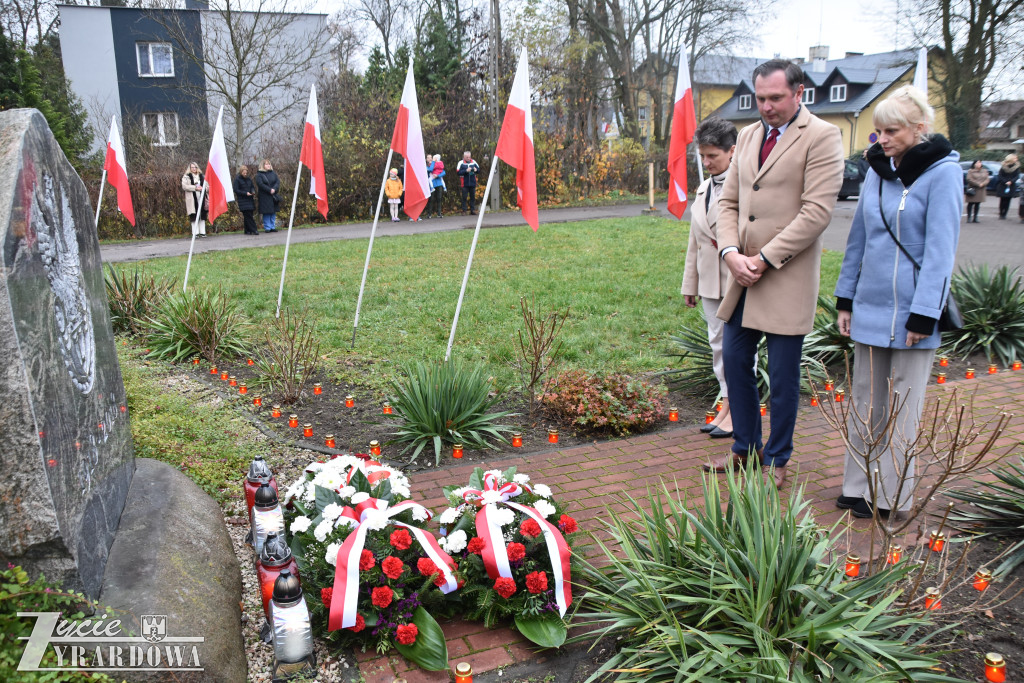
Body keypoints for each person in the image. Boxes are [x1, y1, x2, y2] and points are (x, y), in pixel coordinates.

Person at [707, 59, 845, 488]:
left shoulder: (822, 136)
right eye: (760, 98)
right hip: (742, 275)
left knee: (784, 378)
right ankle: (745, 448)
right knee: (734, 360)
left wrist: (763, 258)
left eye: (775, 98)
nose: (766, 107)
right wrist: (730, 251)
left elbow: (816, 213)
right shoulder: (747, 135)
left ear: (799, 92)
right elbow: (728, 202)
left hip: (785, 276)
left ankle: (777, 459)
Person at [834, 85, 961, 518]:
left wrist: (925, 315)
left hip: (913, 312)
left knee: (903, 406)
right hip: (869, 305)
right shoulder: (876, 170)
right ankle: (858, 485)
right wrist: (845, 299)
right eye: (877, 132)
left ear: (919, 129)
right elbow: (859, 240)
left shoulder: (943, 173)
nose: (882, 140)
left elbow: (941, 252)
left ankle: (889, 495)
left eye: (891, 131)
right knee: (866, 399)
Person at [681, 117, 737, 439]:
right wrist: (691, 284)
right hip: (710, 283)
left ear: (732, 151)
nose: (706, 162)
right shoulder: (705, 186)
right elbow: (695, 242)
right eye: (702, 155)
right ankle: (727, 405)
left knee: (738, 350)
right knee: (718, 346)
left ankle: (737, 410)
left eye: (712, 155)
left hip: (735, 280)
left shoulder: (743, 186)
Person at [181, 162, 207, 237]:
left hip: (202, 197)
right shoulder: (186, 177)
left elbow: (207, 186)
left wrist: (203, 188)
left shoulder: (202, 176)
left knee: (202, 214)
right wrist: (195, 188)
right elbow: (185, 186)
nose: (194, 169)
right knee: (194, 215)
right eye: (192, 167)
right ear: (190, 168)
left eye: (195, 167)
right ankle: (195, 233)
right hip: (192, 199)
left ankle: (202, 232)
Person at [255, 159, 280, 232]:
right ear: (263, 166)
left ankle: (272, 226)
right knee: (267, 212)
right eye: (266, 164)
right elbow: (260, 184)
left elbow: (277, 182)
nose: (268, 165)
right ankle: (267, 227)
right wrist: (269, 190)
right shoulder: (259, 175)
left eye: (269, 164)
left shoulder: (273, 173)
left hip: (273, 196)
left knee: (273, 212)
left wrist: (274, 189)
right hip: (265, 196)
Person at [234, 165, 258, 235]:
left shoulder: (249, 179)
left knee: (248, 215)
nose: (245, 174)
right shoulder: (237, 180)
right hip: (242, 200)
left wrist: (252, 191)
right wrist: (245, 193)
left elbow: (252, 187)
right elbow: (236, 190)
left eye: (246, 173)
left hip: (249, 199)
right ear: (241, 172)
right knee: (248, 215)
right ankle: (254, 229)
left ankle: (247, 230)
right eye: (244, 173)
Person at [995, 153, 1020, 219]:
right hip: (1003, 185)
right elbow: (1000, 175)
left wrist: (1011, 181)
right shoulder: (1003, 166)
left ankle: (1005, 214)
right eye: (1015, 158)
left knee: (1008, 200)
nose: (1016, 159)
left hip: (1011, 185)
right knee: (1002, 200)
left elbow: (1017, 176)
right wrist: (1005, 181)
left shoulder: (1016, 167)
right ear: (1011, 159)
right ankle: (1001, 213)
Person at [428, 154, 445, 218]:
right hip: (432, 183)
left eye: (431, 158)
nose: (430, 159)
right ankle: (429, 214)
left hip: (439, 183)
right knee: (431, 199)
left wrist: (438, 175)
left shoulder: (439, 164)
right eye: (428, 158)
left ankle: (439, 213)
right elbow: (430, 169)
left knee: (439, 198)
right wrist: (433, 162)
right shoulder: (430, 165)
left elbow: (443, 172)